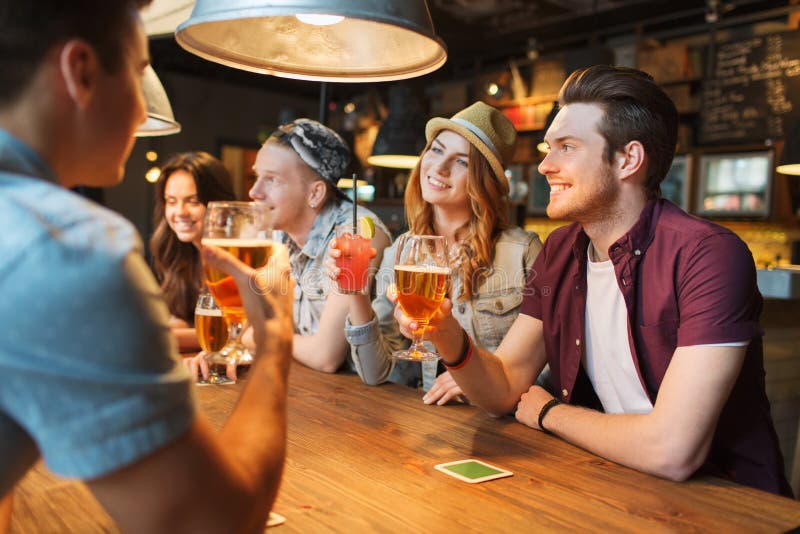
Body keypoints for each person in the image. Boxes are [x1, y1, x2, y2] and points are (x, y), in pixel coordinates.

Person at [399, 66, 793, 496]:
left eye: (566, 147)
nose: (546, 165)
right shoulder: (561, 250)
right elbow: (504, 388)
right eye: (549, 148)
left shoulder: (707, 255)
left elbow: (673, 450)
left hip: (730, 503)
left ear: (628, 159)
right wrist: (447, 333)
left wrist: (549, 412)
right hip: (617, 485)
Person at [0, 1, 296, 531]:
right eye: (141, 76)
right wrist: (274, 341)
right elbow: (210, 523)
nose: (142, 111)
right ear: (83, 72)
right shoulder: (68, 249)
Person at [329, 102, 542, 405]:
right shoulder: (401, 252)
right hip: (431, 426)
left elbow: (550, 366)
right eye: (437, 150)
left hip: (503, 431)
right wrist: (356, 293)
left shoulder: (522, 252)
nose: (439, 168)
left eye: (462, 162)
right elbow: (375, 373)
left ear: (486, 183)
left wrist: (476, 376)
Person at [246, 119, 392, 372]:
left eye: (272, 180)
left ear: (315, 194)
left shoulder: (355, 235)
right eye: (257, 176)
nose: (254, 192)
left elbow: (325, 356)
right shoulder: (278, 236)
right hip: (311, 390)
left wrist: (261, 337)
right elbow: (256, 322)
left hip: (371, 399)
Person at [149, 151, 236, 352]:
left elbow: (235, 332)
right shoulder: (179, 253)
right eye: (171, 201)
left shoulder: (237, 257)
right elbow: (178, 319)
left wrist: (162, 337)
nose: (179, 212)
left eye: (193, 201)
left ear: (218, 203)